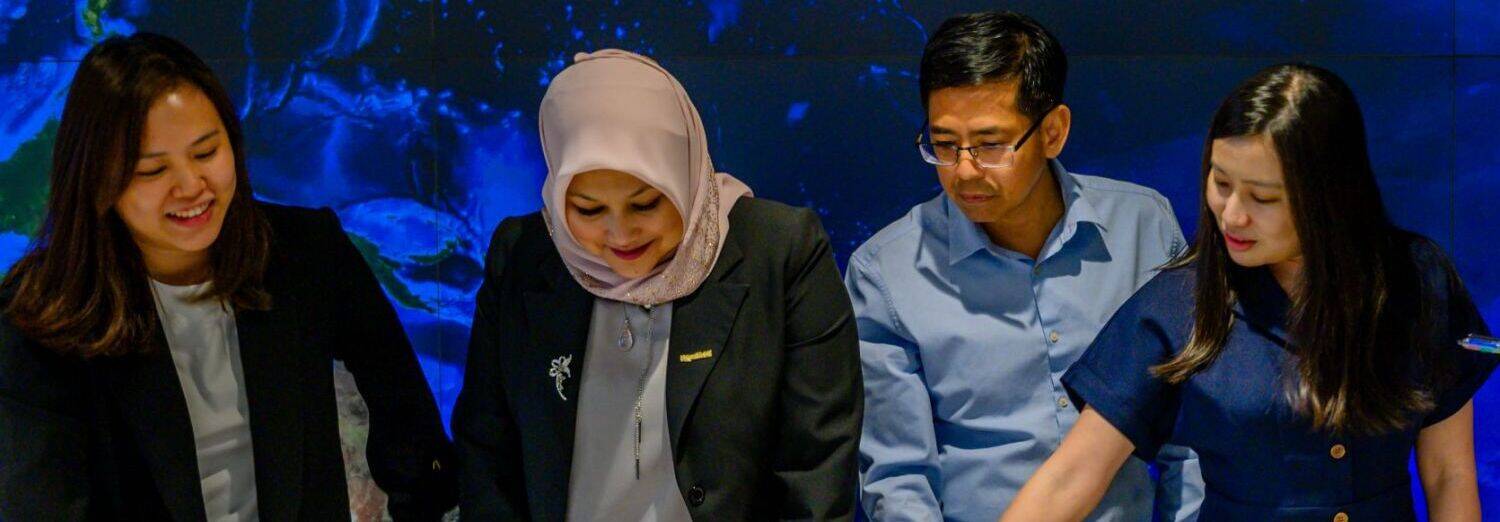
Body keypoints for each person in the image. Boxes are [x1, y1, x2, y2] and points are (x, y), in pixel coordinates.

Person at [1002, 63, 1495, 522]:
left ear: (1332, 196)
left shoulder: (1418, 278)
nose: (1232, 215)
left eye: (1263, 198)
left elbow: (1449, 472)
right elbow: (1071, 476)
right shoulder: (1178, 307)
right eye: (1221, 183)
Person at [0, 33, 456, 521]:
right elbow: (43, 501)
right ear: (98, 181)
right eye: (153, 171)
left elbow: (407, 418)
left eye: (205, 152)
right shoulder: (40, 313)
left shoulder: (305, 253)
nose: (192, 186)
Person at [451, 49, 862, 521]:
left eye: (646, 204)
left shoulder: (778, 251)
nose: (621, 235)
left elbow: (818, 462)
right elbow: (487, 450)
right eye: (587, 210)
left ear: (683, 173)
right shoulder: (522, 256)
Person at [848, 10, 1202, 522]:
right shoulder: (887, 271)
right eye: (944, 145)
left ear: (1053, 131)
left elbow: (1188, 437)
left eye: (991, 145)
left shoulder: (1142, 227)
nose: (964, 170)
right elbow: (898, 480)